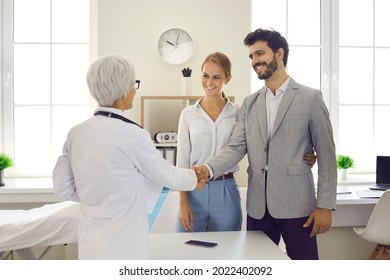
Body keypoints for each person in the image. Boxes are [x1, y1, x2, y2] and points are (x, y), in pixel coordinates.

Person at [196, 28, 337, 260]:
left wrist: (325, 205)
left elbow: (327, 154)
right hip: (258, 207)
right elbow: (235, 148)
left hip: (298, 206)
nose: (255, 61)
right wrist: (207, 169)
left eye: (260, 53)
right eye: (251, 56)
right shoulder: (250, 103)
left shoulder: (310, 98)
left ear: (279, 53)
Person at [52, 54, 204, 260]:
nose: (135, 89)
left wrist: (98, 201)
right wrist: (197, 176)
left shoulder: (76, 133)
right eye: (134, 84)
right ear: (123, 89)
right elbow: (167, 175)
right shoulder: (132, 135)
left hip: (89, 239)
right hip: (123, 240)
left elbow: (62, 187)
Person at [177, 52, 317, 233]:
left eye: (217, 77)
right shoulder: (188, 114)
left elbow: (261, 143)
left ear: (227, 78)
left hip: (226, 191)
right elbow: (181, 162)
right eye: (205, 75)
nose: (209, 82)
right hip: (193, 190)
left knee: (227, 255)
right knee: (186, 253)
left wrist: (301, 154)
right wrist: (183, 203)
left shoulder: (240, 112)